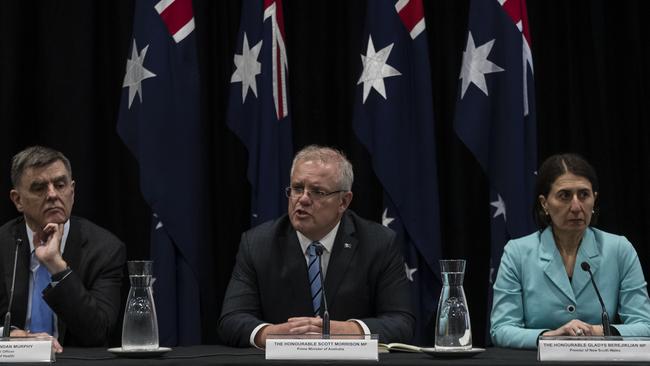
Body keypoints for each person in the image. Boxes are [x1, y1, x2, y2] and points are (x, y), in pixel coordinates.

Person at [218, 145, 414, 347]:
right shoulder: (258, 243)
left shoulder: (378, 243)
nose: (302, 199)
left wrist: (345, 330)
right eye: (297, 188)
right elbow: (232, 320)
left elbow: (401, 322)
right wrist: (272, 334)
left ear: (343, 202)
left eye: (317, 192)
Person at [490, 153, 650, 348]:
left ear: (594, 199)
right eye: (565, 195)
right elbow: (501, 329)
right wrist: (551, 337)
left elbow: (644, 325)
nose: (576, 206)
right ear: (544, 204)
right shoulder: (517, 253)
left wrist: (596, 331)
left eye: (584, 194)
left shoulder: (619, 249)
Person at [0, 146, 126, 351]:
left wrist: (57, 267)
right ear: (18, 200)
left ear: (72, 191)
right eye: (39, 188)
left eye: (60, 185)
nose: (52, 195)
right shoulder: (3, 243)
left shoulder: (105, 249)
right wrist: (10, 336)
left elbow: (97, 333)